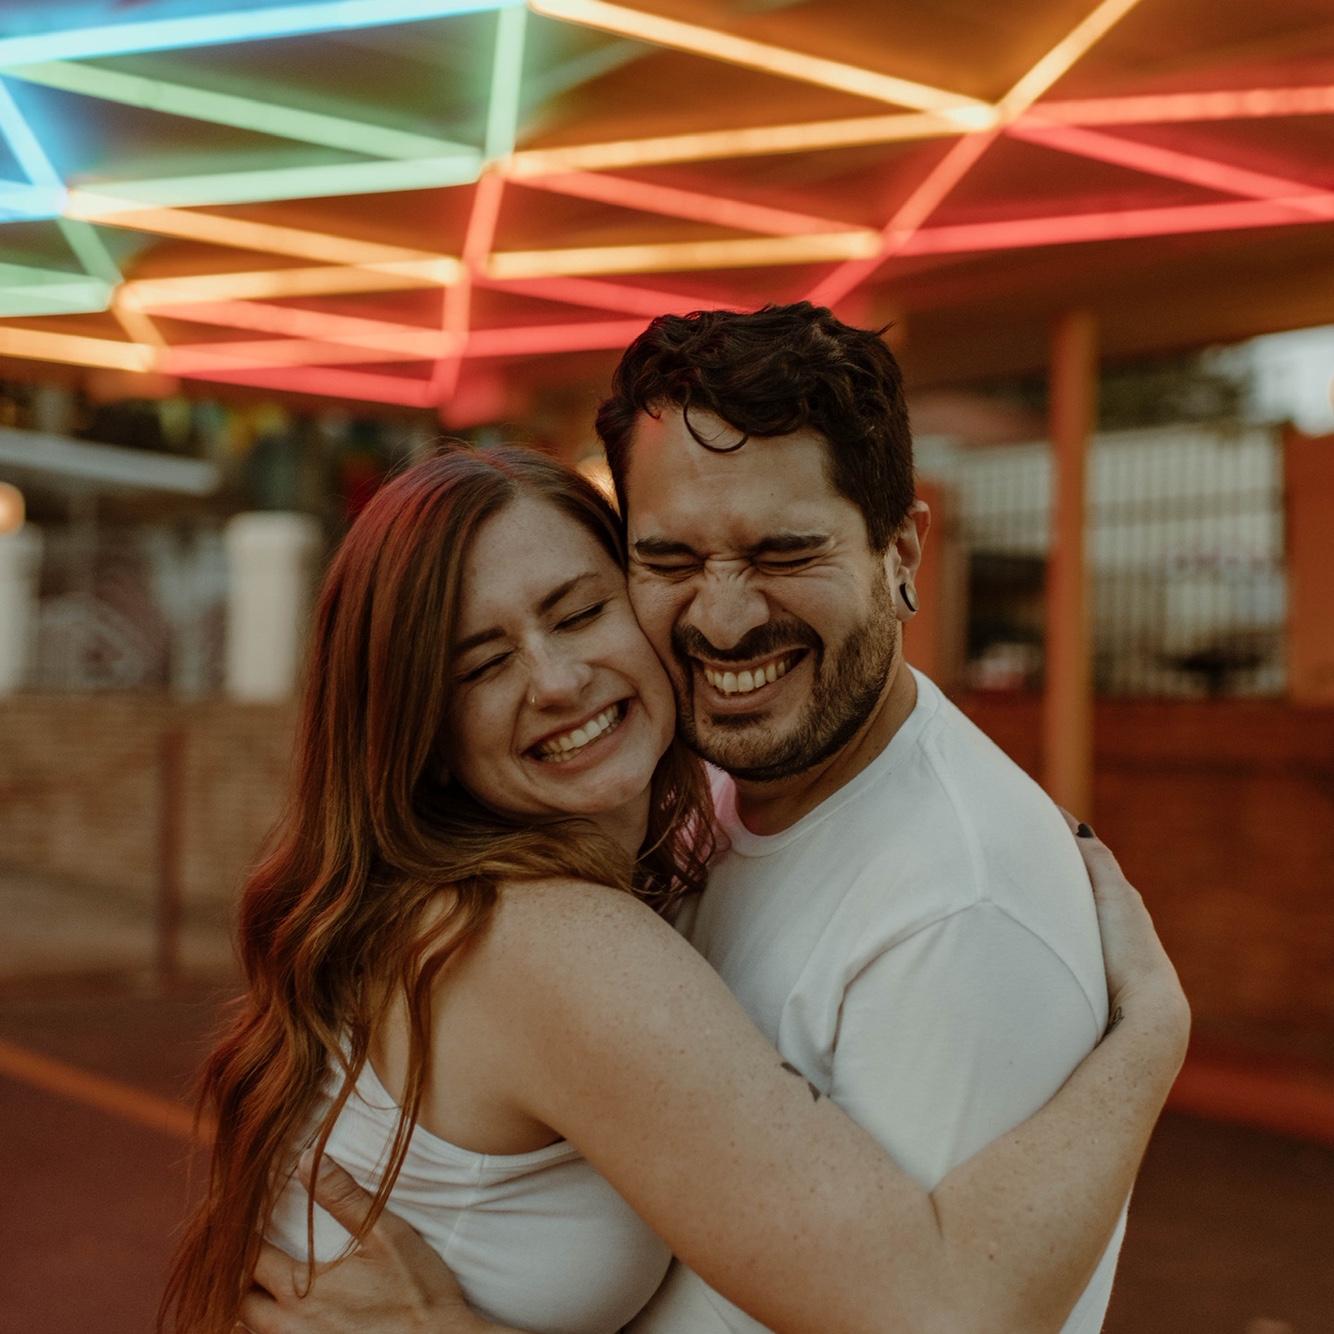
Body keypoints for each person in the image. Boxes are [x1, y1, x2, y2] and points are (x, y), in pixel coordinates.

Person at [190, 311, 1186, 1334]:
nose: (722, 616)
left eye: (579, 611)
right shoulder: (550, 933)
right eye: (670, 558)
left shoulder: (954, 896)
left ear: (900, 549)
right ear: (422, 725)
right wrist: (1150, 1040)